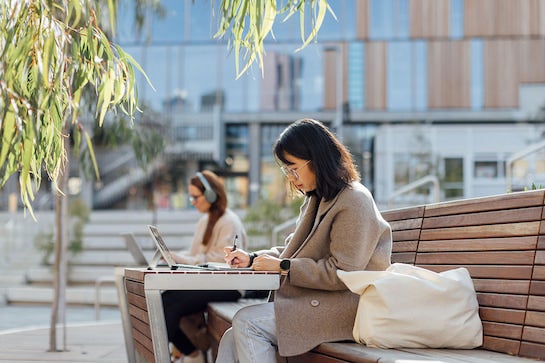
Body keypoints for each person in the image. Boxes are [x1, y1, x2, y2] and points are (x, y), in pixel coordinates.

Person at [217, 118, 393, 363]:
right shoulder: (318, 199)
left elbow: (343, 272)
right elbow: (293, 250)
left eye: (294, 168)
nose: (291, 178)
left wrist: (282, 267)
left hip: (348, 308)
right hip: (321, 303)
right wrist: (253, 258)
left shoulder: (354, 200)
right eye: (286, 170)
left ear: (317, 159)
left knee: (246, 323)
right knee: (231, 335)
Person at [162, 170, 247, 363]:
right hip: (211, 281)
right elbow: (196, 256)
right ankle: (192, 353)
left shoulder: (228, 221)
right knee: (163, 299)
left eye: (195, 196)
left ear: (211, 194)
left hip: (229, 285)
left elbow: (219, 260)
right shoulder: (204, 221)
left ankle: (190, 353)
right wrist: (174, 257)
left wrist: (181, 259)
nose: (192, 201)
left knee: (168, 302)